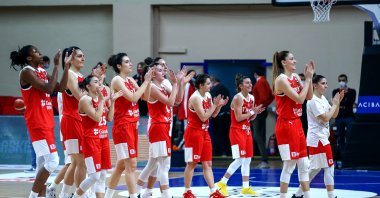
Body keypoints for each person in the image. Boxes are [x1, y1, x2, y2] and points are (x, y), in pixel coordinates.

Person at [10, 45, 69, 198]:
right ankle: (33, 196)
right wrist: (56, 65)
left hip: (47, 120)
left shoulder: (42, 72)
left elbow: (61, 88)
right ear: (29, 58)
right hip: (37, 121)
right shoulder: (27, 72)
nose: (40, 52)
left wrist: (66, 67)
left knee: (42, 164)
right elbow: (49, 89)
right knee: (53, 161)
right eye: (35, 51)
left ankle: (40, 196)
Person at [135, 58, 191, 198]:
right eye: (160, 70)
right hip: (158, 127)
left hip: (164, 127)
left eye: (163, 69)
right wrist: (175, 83)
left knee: (152, 165)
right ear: (153, 74)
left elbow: (178, 100)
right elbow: (171, 102)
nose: (163, 72)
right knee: (164, 166)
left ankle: (136, 193)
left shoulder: (163, 85)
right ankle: (166, 195)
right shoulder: (153, 87)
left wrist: (179, 83)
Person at [103, 53, 152, 198]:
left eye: (130, 61)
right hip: (123, 126)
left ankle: (107, 195)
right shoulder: (117, 80)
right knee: (131, 165)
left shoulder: (130, 79)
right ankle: (133, 195)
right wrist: (145, 82)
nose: (130, 64)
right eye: (127, 62)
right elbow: (133, 97)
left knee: (121, 166)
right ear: (119, 66)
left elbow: (145, 97)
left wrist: (147, 81)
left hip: (132, 126)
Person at [292, 75, 344, 198]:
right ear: (315, 85)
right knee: (329, 166)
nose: (326, 86)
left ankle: (298, 194)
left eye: (326, 83)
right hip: (318, 139)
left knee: (315, 169)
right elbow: (326, 117)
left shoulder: (323, 99)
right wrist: (335, 105)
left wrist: (337, 103)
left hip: (321, 138)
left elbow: (334, 115)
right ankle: (331, 196)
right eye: (323, 83)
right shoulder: (313, 101)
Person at [272, 50, 314, 198]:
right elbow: (299, 99)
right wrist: (308, 80)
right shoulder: (281, 80)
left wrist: (309, 79)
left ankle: (306, 196)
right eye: (292, 59)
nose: (295, 61)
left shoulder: (296, 77)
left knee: (304, 164)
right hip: (285, 125)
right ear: (284, 62)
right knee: (289, 165)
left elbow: (308, 96)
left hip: (297, 123)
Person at [71, 75, 122, 198]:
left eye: (100, 82)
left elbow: (109, 118)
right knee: (94, 176)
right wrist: (102, 100)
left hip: (103, 139)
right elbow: (97, 118)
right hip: (91, 140)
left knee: (103, 175)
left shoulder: (100, 100)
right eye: (95, 82)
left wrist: (113, 101)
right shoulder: (85, 100)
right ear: (88, 86)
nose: (99, 83)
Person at [216, 74, 264, 196]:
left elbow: (250, 118)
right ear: (240, 86)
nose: (250, 84)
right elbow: (238, 118)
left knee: (247, 160)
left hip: (247, 131)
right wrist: (252, 112)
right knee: (239, 159)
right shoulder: (238, 98)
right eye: (247, 83)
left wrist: (255, 112)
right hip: (236, 132)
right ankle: (222, 183)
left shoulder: (252, 98)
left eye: (251, 83)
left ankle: (246, 187)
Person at [182, 74, 229, 198]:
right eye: (208, 83)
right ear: (201, 85)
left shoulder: (207, 95)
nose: (211, 85)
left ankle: (213, 191)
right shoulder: (195, 98)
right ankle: (187, 191)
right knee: (191, 163)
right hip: (193, 133)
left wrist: (218, 106)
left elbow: (212, 115)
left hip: (204, 132)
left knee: (207, 163)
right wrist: (214, 105)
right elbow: (203, 117)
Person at [60, 46, 87, 198]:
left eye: (83, 55)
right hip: (71, 120)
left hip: (79, 120)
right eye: (79, 56)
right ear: (69, 59)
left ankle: (64, 194)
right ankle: (80, 195)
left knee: (76, 162)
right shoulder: (70, 74)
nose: (83, 58)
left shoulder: (80, 75)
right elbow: (82, 98)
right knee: (80, 161)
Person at [332, 74, 356, 168]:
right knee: (340, 137)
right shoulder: (335, 91)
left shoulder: (352, 91)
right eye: (340, 80)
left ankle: (350, 157)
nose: (342, 82)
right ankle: (341, 158)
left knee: (349, 136)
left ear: (346, 81)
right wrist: (341, 96)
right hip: (339, 117)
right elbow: (336, 102)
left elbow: (350, 101)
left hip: (349, 116)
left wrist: (345, 95)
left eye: (343, 80)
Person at [252, 70, 274, 168]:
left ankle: (264, 160)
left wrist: (259, 107)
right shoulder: (265, 81)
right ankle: (264, 159)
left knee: (257, 135)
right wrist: (264, 106)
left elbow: (264, 97)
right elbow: (271, 96)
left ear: (255, 73)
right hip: (262, 110)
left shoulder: (260, 82)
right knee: (259, 135)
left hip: (258, 111)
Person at [210, 76, 231, 157]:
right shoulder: (225, 88)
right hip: (227, 114)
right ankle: (228, 152)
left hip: (219, 114)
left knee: (218, 134)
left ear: (213, 82)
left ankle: (220, 152)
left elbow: (213, 102)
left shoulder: (214, 90)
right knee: (227, 134)